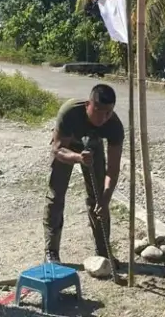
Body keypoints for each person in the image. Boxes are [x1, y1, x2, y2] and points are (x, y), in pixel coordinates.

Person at [44, 84, 124, 265]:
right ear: (88, 104)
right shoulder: (70, 112)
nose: (103, 118)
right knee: (56, 196)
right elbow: (57, 150)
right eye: (98, 111)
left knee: (99, 198)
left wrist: (105, 199)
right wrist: (78, 158)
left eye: (108, 112)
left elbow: (113, 170)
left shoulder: (114, 126)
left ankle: (103, 252)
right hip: (66, 147)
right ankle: (51, 252)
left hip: (93, 146)